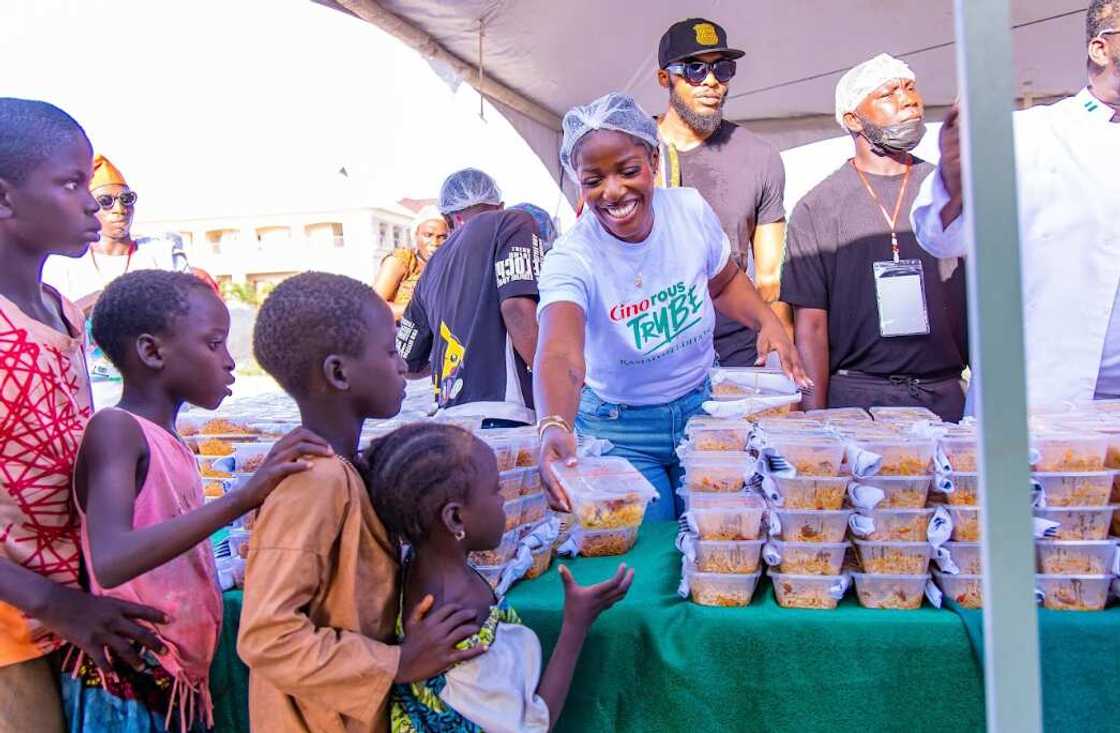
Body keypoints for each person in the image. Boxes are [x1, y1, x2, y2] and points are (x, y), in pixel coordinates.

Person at [62, 270, 330, 731]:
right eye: (213, 344)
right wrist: (243, 497)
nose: (229, 362)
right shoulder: (117, 430)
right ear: (152, 351)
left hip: (176, 682)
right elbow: (111, 559)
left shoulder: (171, 440)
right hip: (130, 685)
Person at [534, 93, 808, 519]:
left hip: (701, 411)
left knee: (717, 531)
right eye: (593, 181)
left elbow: (723, 282)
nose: (613, 191)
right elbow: (559, 351)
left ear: (653, 161)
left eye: (628, 171)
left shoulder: (689, 210)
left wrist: (765, 321)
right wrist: (554, 424)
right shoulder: (573, 256)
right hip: (619, 428)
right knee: (649, 542)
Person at [239, 272, 487, 733]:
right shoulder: (314, 483)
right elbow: (267, 636)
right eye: (390, 351)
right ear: (338, 373)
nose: (402, 365)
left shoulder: (348, 468)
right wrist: (396, 663)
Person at [0, 97, 166, 733]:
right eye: (71, 184)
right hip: (14, 626)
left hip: (68, 608)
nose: (94, 205)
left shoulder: (61, 312)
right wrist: (51, 602)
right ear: (5, 198)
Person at [910, 0, 1120, 408]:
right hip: (1045, 396)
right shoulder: (1030, 134)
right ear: (1100, 48)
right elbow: (940, 239)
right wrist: (955, 184)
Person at [360, 422, 633, 733]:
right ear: (455, 518)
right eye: (495, 490)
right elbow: (533, 726)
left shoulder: (420, 568)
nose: (503, 501)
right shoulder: (460, 621)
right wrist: (576, 623)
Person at [780, 54, 968, 422]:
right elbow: (811, 327)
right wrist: (814, 423)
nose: (908, 100)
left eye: (910, 88)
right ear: (853, 119)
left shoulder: (947, 191)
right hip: (857, 402)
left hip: (945, 398)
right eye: (889, 93)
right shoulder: (817, 207)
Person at [654, 17, 793, 365]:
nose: (711, 81)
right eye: (695, 69)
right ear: (664, 78)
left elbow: (771, 280)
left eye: (722, 68)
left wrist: (783, 362)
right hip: (652, 346)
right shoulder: (631, 151)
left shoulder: (759, 156)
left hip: (735, 349)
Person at [43, 154, 216, 408]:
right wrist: (105, 297)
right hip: (93, 398)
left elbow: (194, 313)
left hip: (162, 398)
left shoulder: (161, 252)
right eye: (106, 201)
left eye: (127, 199)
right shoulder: (64, 263)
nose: (119, 209)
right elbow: (50, 327)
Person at [398, 169, 543, 427]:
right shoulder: (512, 222)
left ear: (447, 217)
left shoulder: (431, 267)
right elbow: (517, 309)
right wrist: (558, 379)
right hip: (505, 410)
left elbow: (407, 362)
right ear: (499, 205)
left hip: (451, 418)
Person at [374, 205, 450, 322]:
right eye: (428, 235)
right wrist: (421, 309)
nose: (435, 243)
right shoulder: (402, 260)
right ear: (416, 235)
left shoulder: (448, 265)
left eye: (443, 237)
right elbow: (373, 307)